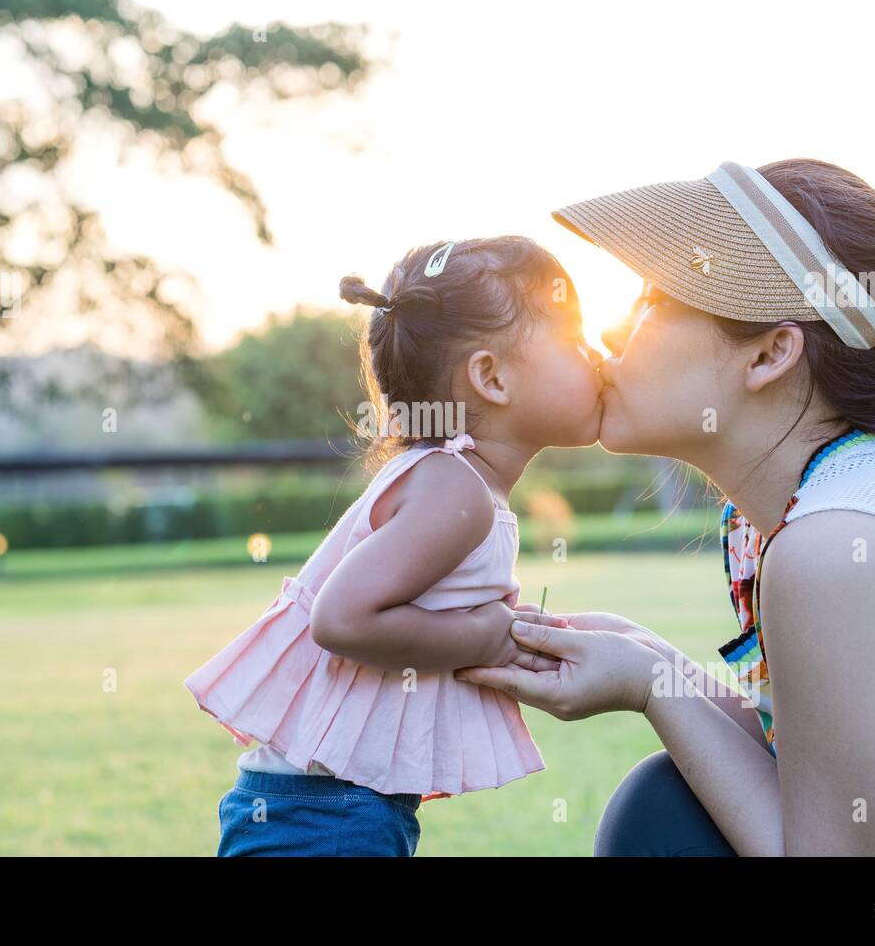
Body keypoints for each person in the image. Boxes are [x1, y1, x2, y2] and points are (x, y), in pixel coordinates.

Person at [458, 159, 875, 856]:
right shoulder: (788, 519)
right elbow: (807, 762)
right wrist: (644, 657)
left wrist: (653, 686)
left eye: (654, 299)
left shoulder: (836, 546)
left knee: (661, 819)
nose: (613, 335)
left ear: (771, 354)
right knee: (667, 807)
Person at [184, 236, 600, 855]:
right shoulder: (455, 489)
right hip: (326, 819)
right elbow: (343, 618)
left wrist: (503, 629)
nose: (598, 357)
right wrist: (485, 635)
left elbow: (420, 613)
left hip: (328, 810)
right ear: (491, 376)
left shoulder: (456, 482)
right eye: (574, 342)